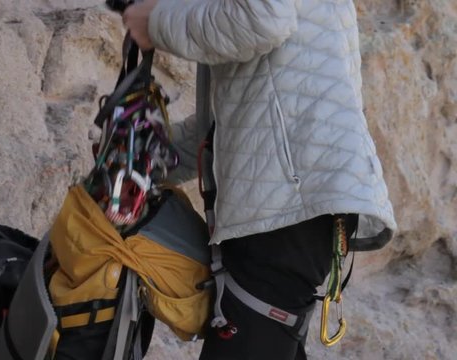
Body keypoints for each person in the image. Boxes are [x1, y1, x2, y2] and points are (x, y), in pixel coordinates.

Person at [123, 0, 398, 359]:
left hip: (289, 201)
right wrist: (141, 159)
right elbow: (226, 126)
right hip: (293, 197)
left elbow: (264, 18)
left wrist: (156, 22)